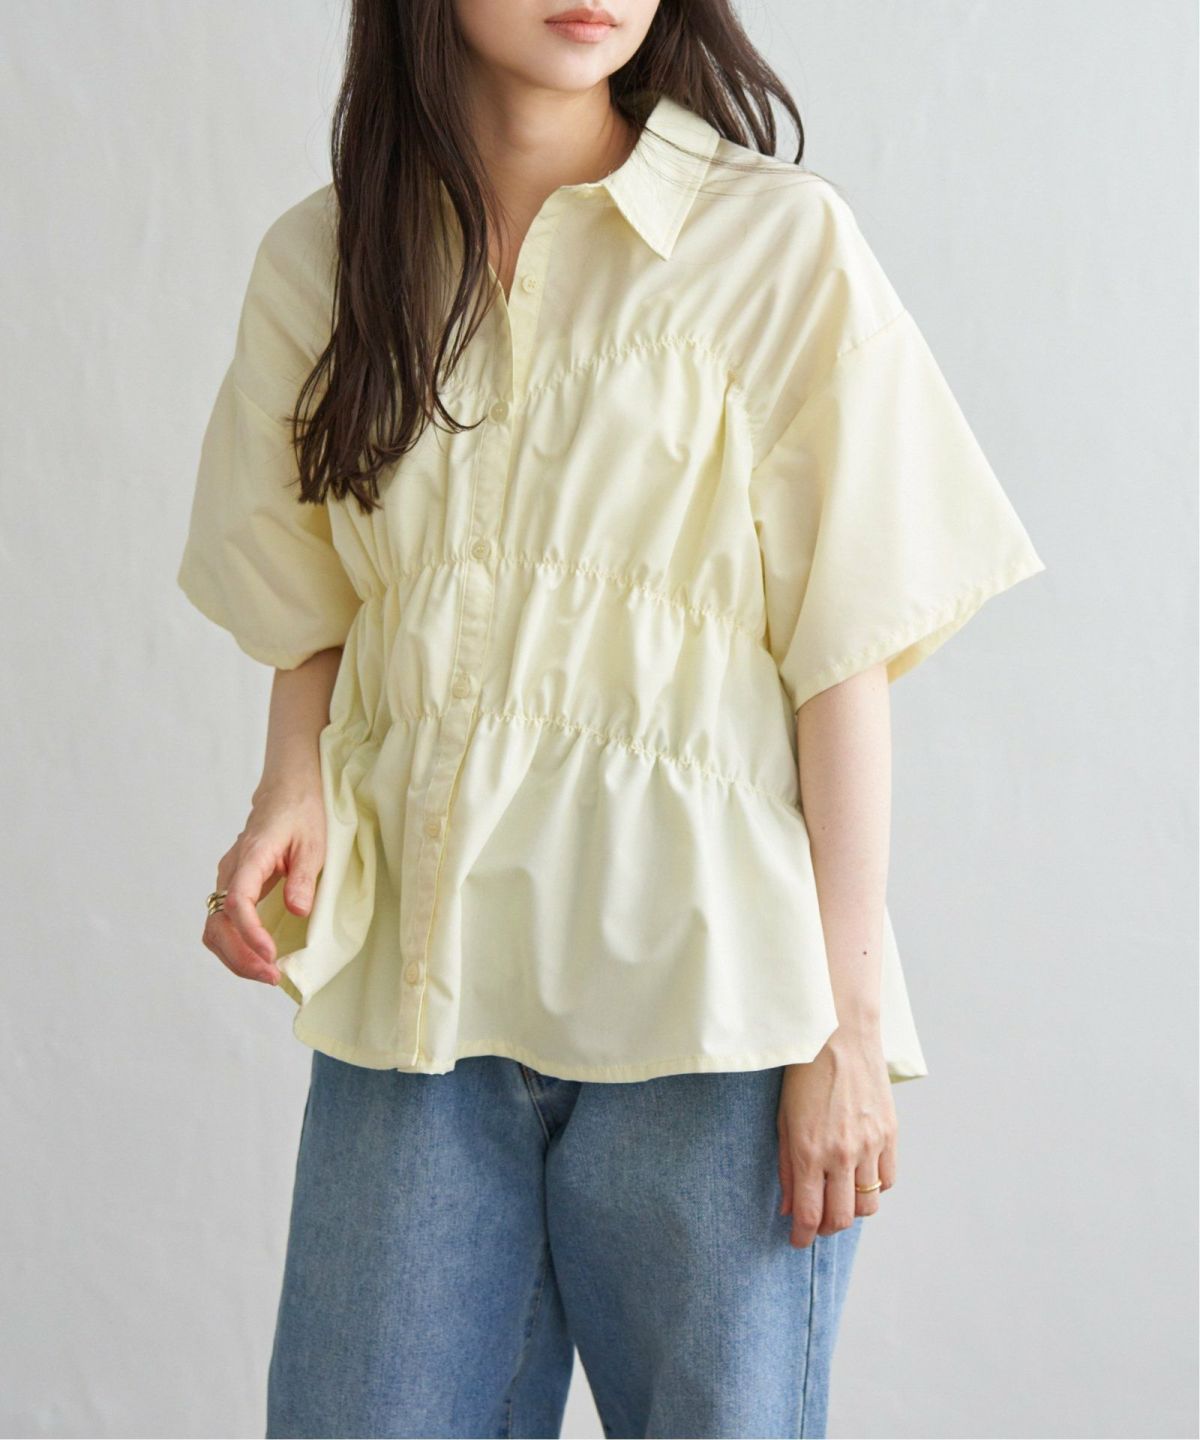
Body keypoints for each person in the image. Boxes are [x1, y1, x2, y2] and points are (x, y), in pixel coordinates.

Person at [176, 2, 1046, 1436]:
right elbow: (314, 591)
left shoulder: (777, 246)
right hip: (423, 1000)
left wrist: (844, 1031)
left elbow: (844, 652)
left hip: (719, 1020)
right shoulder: (326, 260)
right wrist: (291, 786)